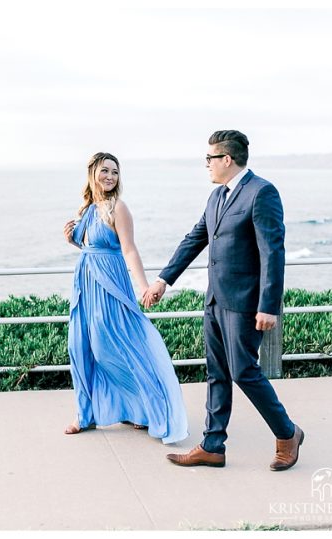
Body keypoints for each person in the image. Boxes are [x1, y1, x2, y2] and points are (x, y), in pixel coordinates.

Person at [143, 130, 303, 471]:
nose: (207, 165)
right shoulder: (216, 196)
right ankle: (213, 446)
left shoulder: (262, 193)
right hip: (215, 299)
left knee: (244, 371)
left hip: (246, 303)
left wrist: (268, 305)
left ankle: (288, 434)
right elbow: (195, 238)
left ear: (226, 159)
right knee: (217, 372)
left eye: (209, 159)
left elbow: (272, 252)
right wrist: (163, 279)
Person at [62, 152, 188, 444]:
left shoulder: (118, 208)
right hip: (85, 287)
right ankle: (85, 415)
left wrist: (144, 286)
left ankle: (148, 406)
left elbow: (129, 249)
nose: (110, 176)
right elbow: (91, 248)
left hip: (111, 287)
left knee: (111, 347)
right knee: (79, 347)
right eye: (104, 170)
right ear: (92, 173)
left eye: (115, 172)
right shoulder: (88, 209)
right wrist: (73, 240)